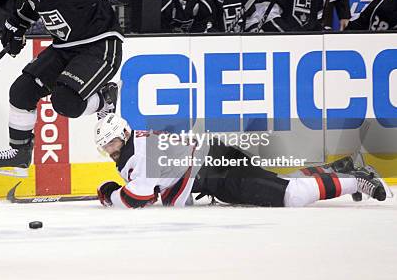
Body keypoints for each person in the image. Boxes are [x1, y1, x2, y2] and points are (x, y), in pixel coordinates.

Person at [0, 0, 171, 177]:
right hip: (64, 48)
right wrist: (15, 29)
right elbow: (27, 8)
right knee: (21, 91)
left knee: (65, 102)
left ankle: (104, 99)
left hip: (100, 44)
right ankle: (19, 154)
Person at [93, 114, 387, 209]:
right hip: (216, 158)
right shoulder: (140, 142)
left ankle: (356, 181)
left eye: (112, 142)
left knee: (290, 195)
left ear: (123, 134)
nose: (110, 150)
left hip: (215, 172)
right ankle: (337, 169)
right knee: (279, 181)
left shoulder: (139, 154)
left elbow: (135, 199)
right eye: (105, 146)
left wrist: (108, 194)